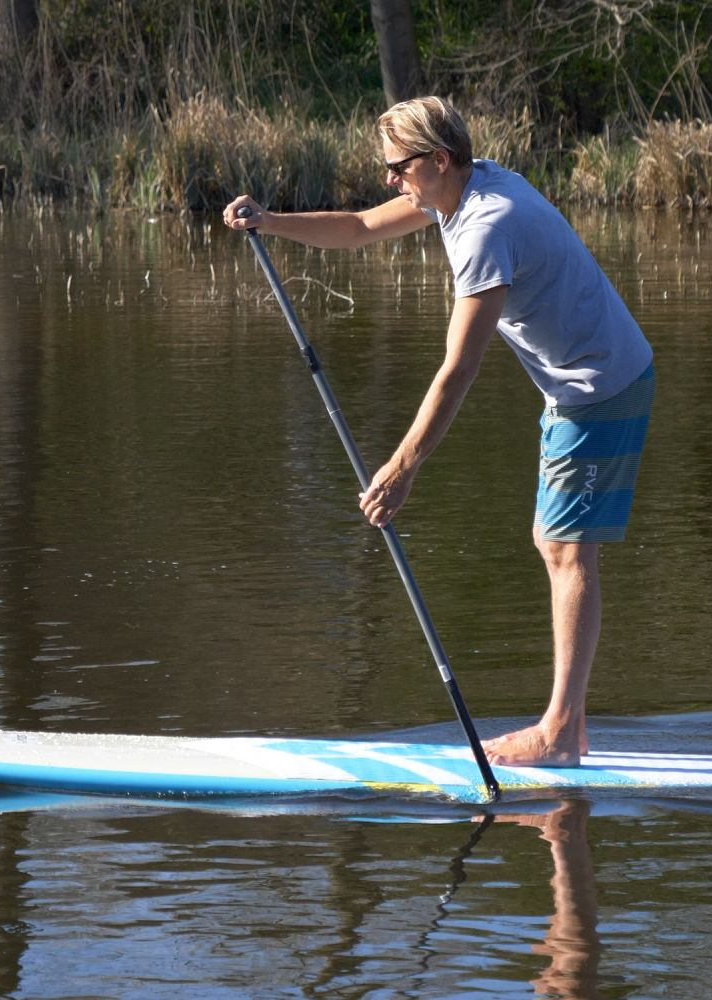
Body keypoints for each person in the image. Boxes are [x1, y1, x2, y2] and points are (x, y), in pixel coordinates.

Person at [223, 96, 653, 768]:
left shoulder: (487, 226)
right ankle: (567, 726)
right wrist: (272, 222)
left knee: (567, 552)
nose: (391, 180)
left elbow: (459, 368)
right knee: (557, 545)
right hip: (584, 380)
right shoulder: (460, 189)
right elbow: (362, 226)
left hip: (599, 387)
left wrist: (400, 470)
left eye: (399, 167)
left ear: (440, 159)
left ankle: (562, 734)